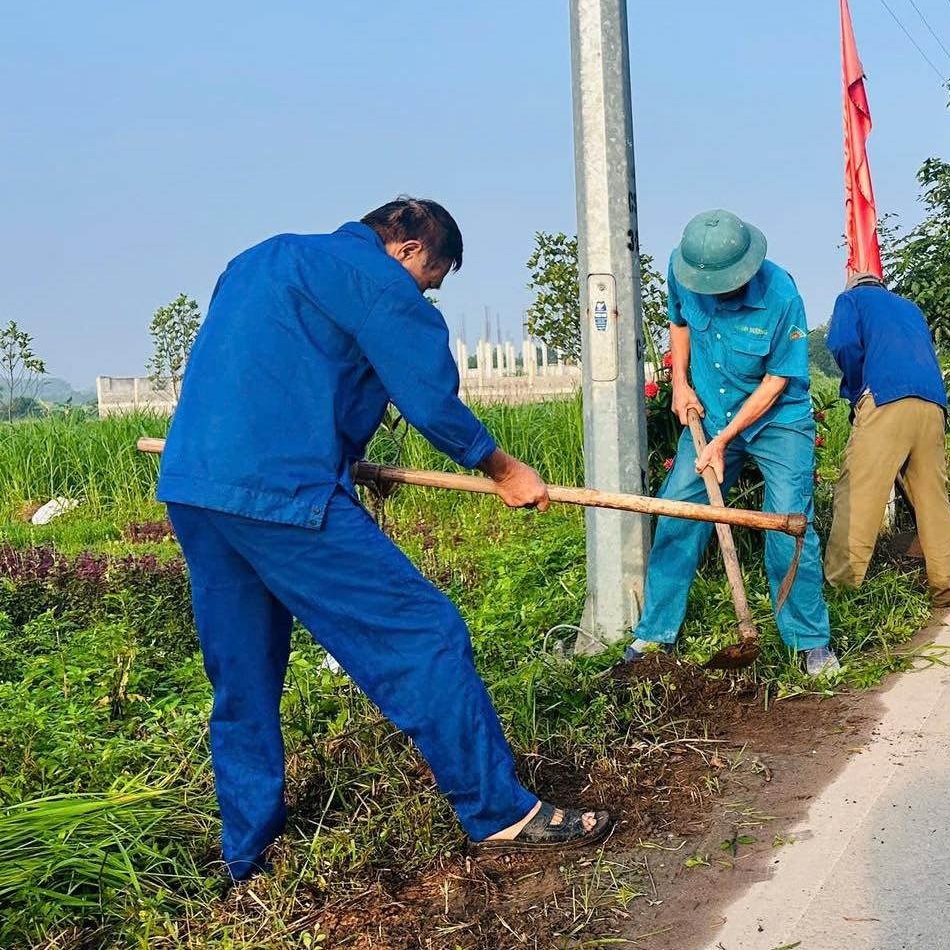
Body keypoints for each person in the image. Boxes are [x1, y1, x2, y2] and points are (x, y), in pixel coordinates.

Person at [156, 198, 610, 882]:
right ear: (408, 248)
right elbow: (430, 400)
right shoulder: (380, 282)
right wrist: (502, 468)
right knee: (423, 632)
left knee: (242, 673)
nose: (426, 292)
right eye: (432, 278)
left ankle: (245, 853)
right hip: (282, 492)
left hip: (195, 486)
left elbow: (278, 372)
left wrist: (343, 456)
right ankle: (499, 812)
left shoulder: (262, 258)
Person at [624, 210, 838, 675]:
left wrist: (723, 440)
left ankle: (810, 641)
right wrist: (680, 383)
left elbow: (777, 381)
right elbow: (680, 323)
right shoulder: (683, 270)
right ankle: (656, 633)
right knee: (679, 510)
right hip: (710, 412)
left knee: (787, 521)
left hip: (777, 420)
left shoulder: (780, 295)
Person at [824, 271, 950, 608]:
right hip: (932, 404)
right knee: (931, 497)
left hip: (886, 398)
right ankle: (946, 587)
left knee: (858, 492)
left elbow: (844, 345)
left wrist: (857, 389)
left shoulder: (851, 299)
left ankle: (842, 591)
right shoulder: (909, 308)